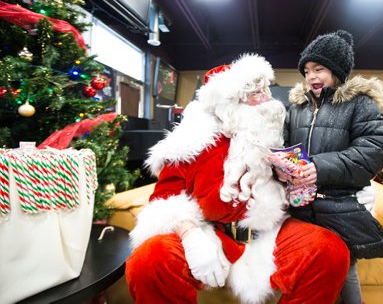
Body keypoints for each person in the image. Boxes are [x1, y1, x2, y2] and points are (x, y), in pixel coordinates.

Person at [125, 53, 350, 304]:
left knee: (330, 250)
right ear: (229, 104)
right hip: (214, 236)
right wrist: (190, 235)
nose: (267, 99)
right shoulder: (190, 144)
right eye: (255, 93)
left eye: (266, 89)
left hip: (271, 233)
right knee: (149, 259)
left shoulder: (278, 135)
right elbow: (162, 201)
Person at [274, 30, 383, 304]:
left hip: (342, 202)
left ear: (337, 71)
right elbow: (285, 145)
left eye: (319, 69)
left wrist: (320, 166)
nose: (311, 76)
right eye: (306, 71)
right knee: (311, 266)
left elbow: (375, 147)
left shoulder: (359, 104)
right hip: (303, 204)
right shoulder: (298, 108)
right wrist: (281, 168)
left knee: (345, 265)